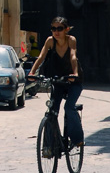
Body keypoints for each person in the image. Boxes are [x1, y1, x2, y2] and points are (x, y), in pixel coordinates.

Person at [29, 16, 84, 146]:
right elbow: (41, 57)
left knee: (69, 107)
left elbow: (73, 56)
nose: (56, 31)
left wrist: (74, 73)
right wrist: (32, 72)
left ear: (66, 29)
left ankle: (77, 139)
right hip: (58, 81)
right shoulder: (50, 41)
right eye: (53, 28)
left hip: (73, 81)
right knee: (52, 111)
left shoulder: (71, 40)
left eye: (59, 28)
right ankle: (48, 147)